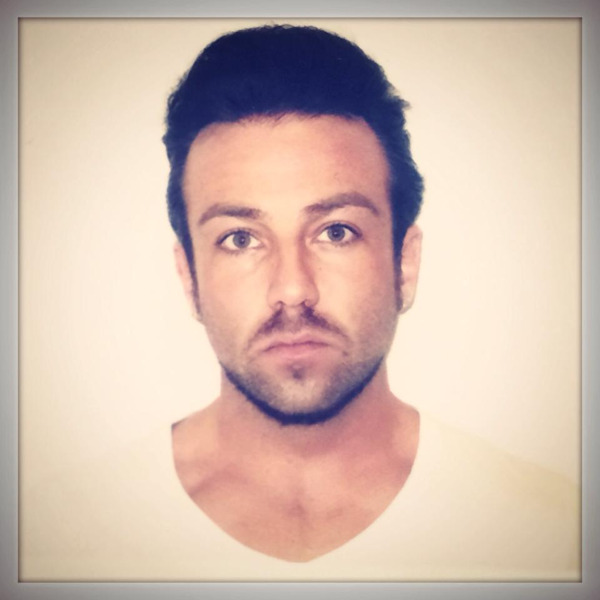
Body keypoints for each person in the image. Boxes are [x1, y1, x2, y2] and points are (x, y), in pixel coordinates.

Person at [21, 24, 579, 581]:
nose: (292, 289)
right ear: (189, 277)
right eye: (240, 239)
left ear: (404, 264)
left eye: (336, 232)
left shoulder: (555, 539)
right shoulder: (50, 543)